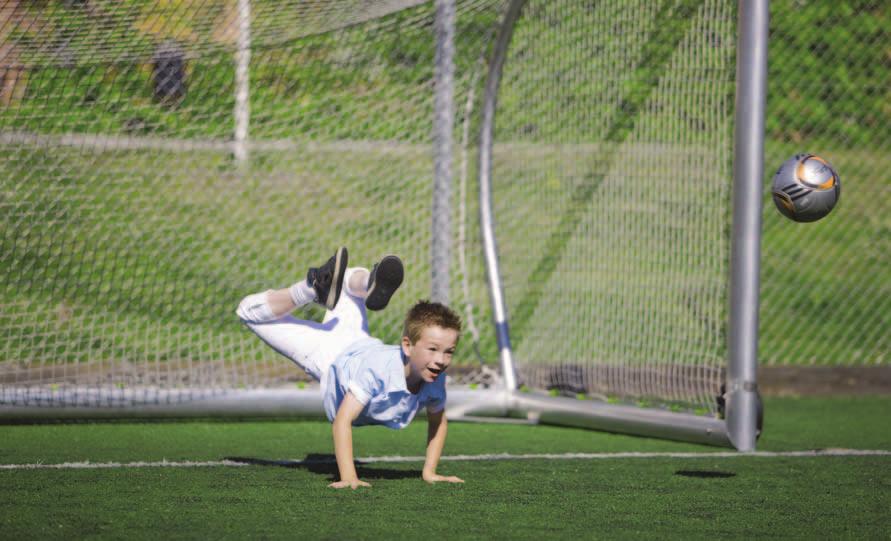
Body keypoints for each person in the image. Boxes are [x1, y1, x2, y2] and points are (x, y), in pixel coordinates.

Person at [236, 247, 464, 489]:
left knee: (344, 283)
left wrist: (430, 472)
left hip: (357, 339)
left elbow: (438, 421)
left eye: (448, 351)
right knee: (247, 312)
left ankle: (365, 282)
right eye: (433, 349)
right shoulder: (378, 373)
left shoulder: (435, 378)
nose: (441, 360)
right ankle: (311, 289)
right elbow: (342, 421)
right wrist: (349, 477)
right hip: (327, 354)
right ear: (407, 346)